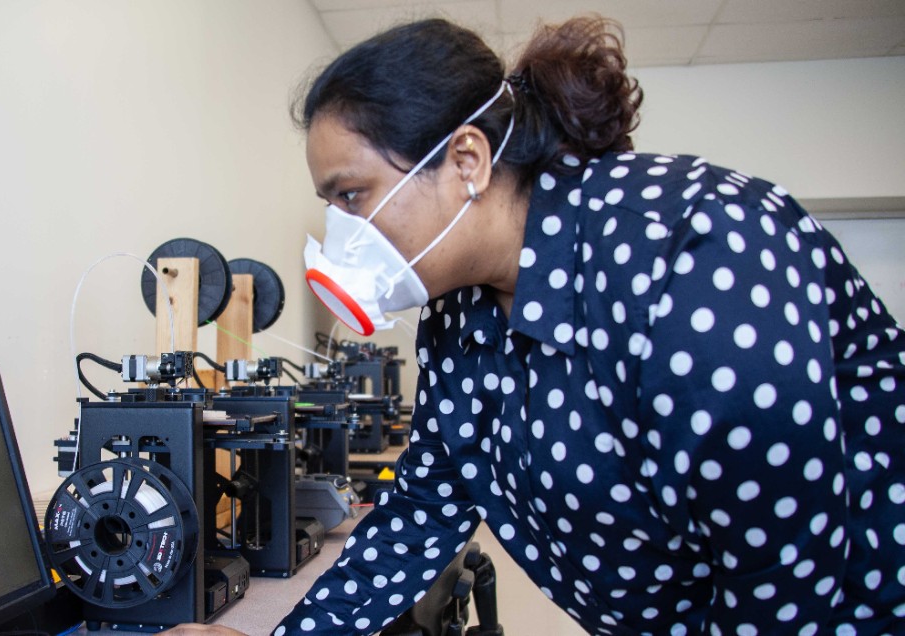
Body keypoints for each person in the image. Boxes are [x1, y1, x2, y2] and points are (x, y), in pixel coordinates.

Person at [165, 15, 904, 636]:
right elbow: (424, 505)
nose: (340, 231)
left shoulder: (691, 254)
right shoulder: (459, 308)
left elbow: (779, 575)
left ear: (466, 159)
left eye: (352, 196)